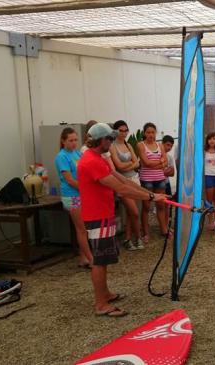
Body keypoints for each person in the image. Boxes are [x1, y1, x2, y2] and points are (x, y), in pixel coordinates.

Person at [77, 123, 167, 317]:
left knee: (105, 258)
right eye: (109, 139)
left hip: (103, 215)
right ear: (101, 140)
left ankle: (105, 294)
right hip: (97, 217)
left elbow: (124, 180)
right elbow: (121, 189)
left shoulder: (98, 159)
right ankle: (101, 304)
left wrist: (150, 194)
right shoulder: (91, 161)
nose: (112, 142)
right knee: (99, 261)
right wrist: (151, 197)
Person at [55, 128, 93, 268]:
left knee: (85, 227)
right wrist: (87, 188)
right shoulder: (61, 157)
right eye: (70, 140)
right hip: (72, 195)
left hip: (81, 193)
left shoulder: (77, 153)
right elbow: (69, 180)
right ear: (63, 141)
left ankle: (83, 257)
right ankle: (90, 257)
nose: (73, 143)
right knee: (81, 228)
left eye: (75, 140)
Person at [109, 120, 143, 250]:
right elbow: (119, 166)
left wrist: (131, 165)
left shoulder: (128, 145)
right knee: (133, 211)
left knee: (132, 212)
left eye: (125, 130)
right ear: (115, 131)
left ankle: (128, 238)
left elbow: (137, 163)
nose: (123, 133)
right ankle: (138, 236)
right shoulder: (112, 146)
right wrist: (132, 164)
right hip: (122, 181)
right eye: (120, 130)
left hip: (134, 179)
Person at [136, 122, 169, 241]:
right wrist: (159, 163)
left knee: (161, 204)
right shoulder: (141, 145)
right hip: (147, 180)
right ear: (144, 133)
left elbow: (165, 162)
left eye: (152, 132)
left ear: (156, 133)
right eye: (148, 132)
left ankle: (164, 230)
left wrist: (158, 164)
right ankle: (146, 232)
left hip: (160, 178)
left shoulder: (159, 145)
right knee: (146, 206)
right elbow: (146, 163)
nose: (150, 134)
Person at [162, 135, 177, 232]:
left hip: (166, 183)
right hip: (157, 183)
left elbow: (172, 173)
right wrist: (165, 171)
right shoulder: (157, 155)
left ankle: (166, 226)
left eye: (171, 146)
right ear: (162, 143)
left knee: (167, 205)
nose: (169, 148)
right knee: (160, 206)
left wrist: (161, 171)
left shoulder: (170, 157)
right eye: (167, 145)